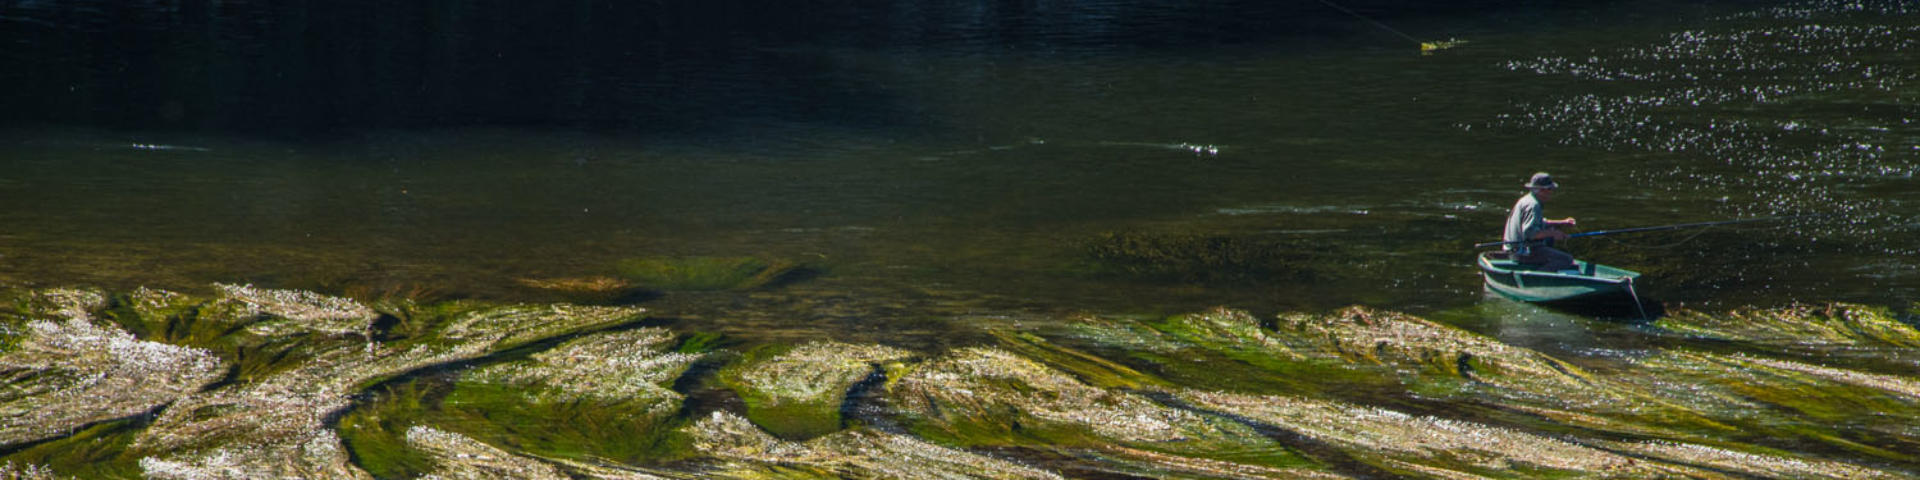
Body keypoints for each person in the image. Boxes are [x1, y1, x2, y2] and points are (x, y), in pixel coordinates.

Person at [1503, 172, 1578, 271]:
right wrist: (1554, 233)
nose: (1551, 192)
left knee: (1549, 240)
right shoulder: (1533, 206)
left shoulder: (1526, 200)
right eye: (1550, 189)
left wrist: (1561, 223)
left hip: (1514, 250)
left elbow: (1537, 223)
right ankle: (1534, 279)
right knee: (1566, 259)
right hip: (1521, 252)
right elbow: (1530, 233)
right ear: (1542, 190)